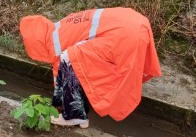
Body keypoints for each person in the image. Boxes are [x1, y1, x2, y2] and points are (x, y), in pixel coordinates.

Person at [19, 7, 162, 128]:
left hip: (124, 34)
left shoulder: (54, 44)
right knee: (80, 60)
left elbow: (60, 76)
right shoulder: (61, 27)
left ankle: (74, 116)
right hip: (134, 21)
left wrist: (58, 106)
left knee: (68, 58)